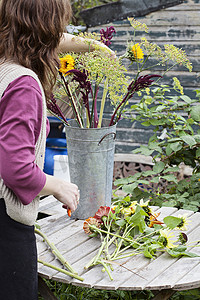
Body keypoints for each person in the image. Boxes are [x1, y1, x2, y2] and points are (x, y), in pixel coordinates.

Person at [0, 0, 113, 299]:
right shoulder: (23, 84)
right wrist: (57, 186)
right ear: (48, 28)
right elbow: (16, 167)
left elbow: (37, 32)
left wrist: (94, 48)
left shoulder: (3, 68)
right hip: (6, 229)